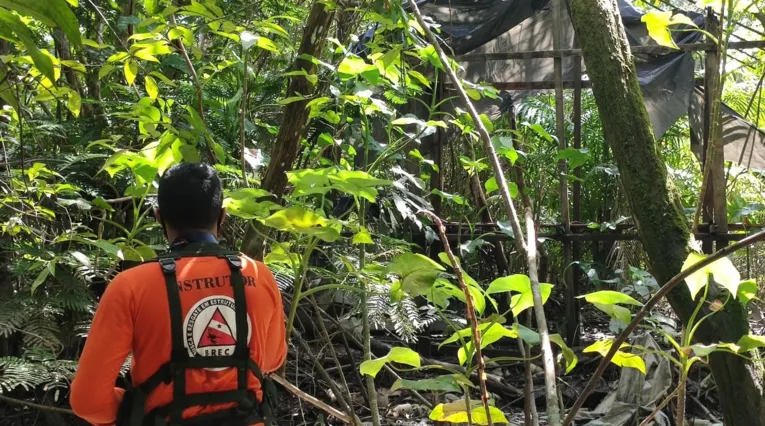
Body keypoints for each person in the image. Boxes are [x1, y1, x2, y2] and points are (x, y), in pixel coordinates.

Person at [70, 163, 287, 426]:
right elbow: (273, 359)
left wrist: (136, 406)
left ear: (159, 216)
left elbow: (87, 402)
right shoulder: (257, 275)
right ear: (223, 215)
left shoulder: (131, 286)